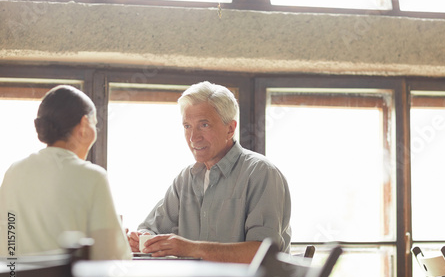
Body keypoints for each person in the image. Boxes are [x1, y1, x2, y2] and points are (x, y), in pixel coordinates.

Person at [128, 81, 291, 263]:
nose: (193, 138)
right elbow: (152, 230)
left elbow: (264, 253)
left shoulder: (261, 173)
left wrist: (190, 248)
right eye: (187, 126)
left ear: (230, 129)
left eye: (204, 125)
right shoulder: (185, 179)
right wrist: (141, 239)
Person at [0, 85, 131, 260]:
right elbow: (112, 257)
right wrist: (117, 234)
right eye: (95, 124)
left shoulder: (13, 172)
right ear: (84, 125)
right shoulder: (93, 177)